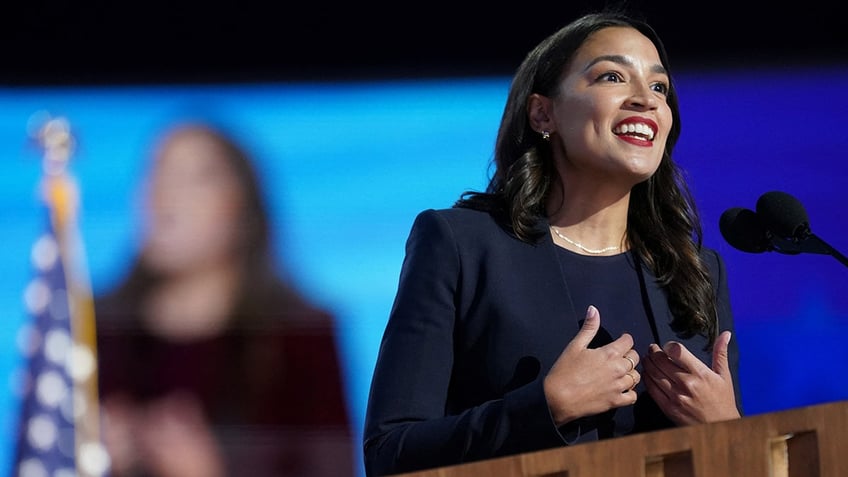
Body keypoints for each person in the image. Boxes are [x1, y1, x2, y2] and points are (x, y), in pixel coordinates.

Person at [362, 9, 743, 476]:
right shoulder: (461, 245)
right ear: (544, 113)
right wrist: (545, 407)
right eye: (612, 76)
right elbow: (389, 453)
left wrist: (727, 429)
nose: (646, 100)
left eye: (659, 87)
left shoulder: (696, 271)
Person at [94, 121, 355, 477]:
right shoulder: (93, 329)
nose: (162, 194)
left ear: (242, 207)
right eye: (156, 172)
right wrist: (90, 461)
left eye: (195, 178)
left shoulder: (302, 335)